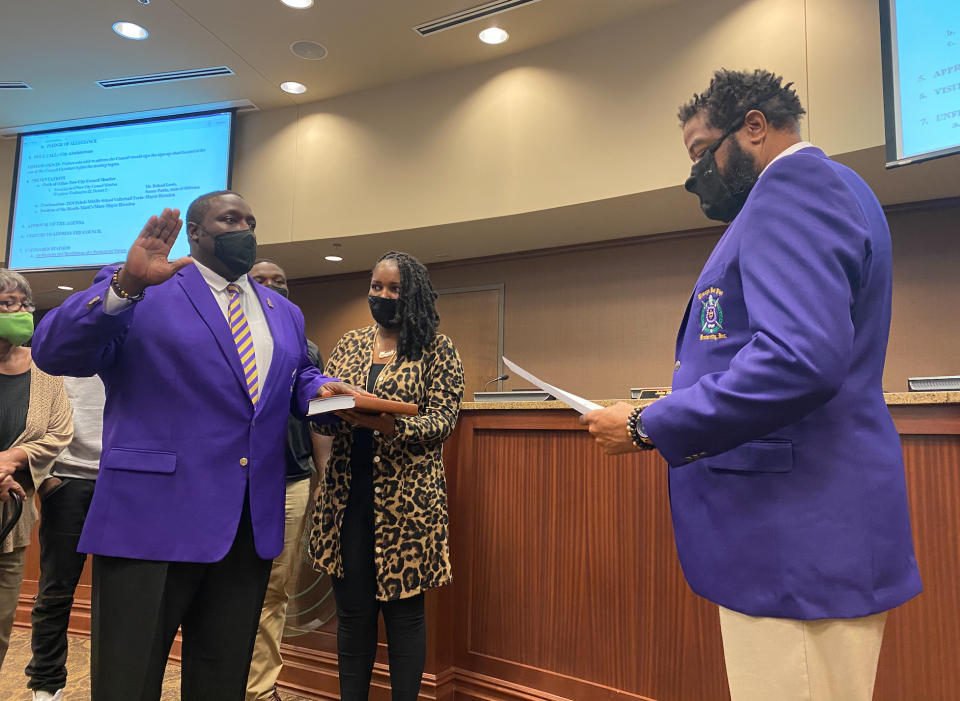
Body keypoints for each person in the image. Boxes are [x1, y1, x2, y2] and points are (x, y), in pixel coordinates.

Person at [581, 69, 922, 701]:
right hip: (799, 535)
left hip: (796, 539)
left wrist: (644, 422)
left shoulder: (792, 186)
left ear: (755, 128)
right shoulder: (834, 188)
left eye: (700, 153)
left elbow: (798, 359)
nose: (694, 176)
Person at [31, 192, 367, 701]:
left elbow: (291, 375)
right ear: (195, 231)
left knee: (222, 678)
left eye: (252, 222)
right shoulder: (144, 286)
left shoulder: (283, 311)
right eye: (230, 220)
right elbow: (53, 350)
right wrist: (126, 285)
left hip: (247, 523)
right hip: (151, 518)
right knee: (128, 678)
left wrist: (315, 388)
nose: (245, 230)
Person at [309, 252, 464, 701]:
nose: (382, 295)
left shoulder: (437, 347)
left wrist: (386, 423)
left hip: (407, 504)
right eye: (376, 286)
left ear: (412, 293)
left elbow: (442, 422)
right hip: (346, 498)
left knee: (404, 616)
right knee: (353, 616)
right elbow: (324, 416)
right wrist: (325, 411)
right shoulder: (351, 343)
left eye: (393, 288)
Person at [246, 259, 333, 701]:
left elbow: (317, 422)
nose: (272, 288)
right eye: (261, 281)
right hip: (235, 484)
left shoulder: (306, 347)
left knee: (275, 590)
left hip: (291, 482)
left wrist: (322, 477)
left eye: (280, 281)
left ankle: (259, 689)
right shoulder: (228, 338)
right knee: (228, 587)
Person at [0, 270, 73, 671]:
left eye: (21, 304)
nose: (19, 311)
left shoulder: (44, 370)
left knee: (0, 628)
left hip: (11, 522)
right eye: (6, 304)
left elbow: (59, 432)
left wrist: (11, 459)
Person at [27, 374, 106, 701]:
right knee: (55, 590)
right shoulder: (57, 343)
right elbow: (29, 411)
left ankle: (117, 681)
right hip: (66, 480)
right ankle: (46, 683)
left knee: (125, 594)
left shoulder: (134, 338)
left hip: (123, 479)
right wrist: (43, 478)